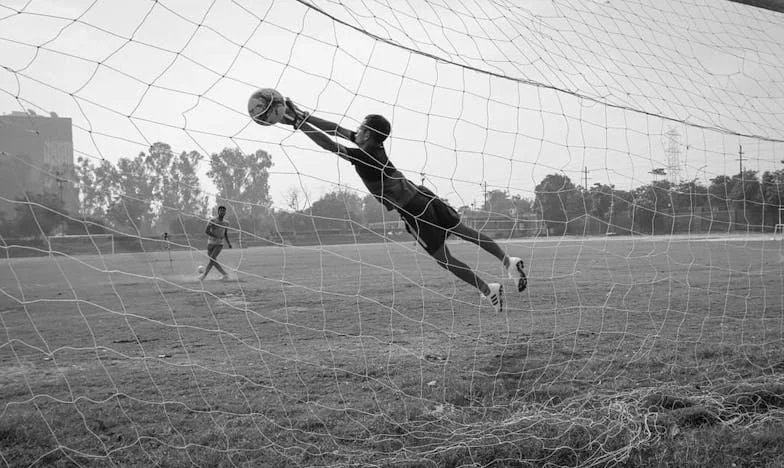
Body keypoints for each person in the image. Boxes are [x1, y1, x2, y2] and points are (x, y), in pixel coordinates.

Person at [283, 100, 527, 312]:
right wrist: (302, 116)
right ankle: (508, 261)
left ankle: (488, 289)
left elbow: (329, 144)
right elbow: (335, 129)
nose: (355, 130)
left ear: (367, 133)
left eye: (359, 128)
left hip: (412, 209)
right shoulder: (375, 146)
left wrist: (298, 124)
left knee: (444, 258)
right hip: (423, 194)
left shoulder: (364, 157)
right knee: (464, 232)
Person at [200, 205, 232, 281]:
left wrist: (228, 243)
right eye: (220, 210)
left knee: (212, 259)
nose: (222, 212)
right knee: (212, 260)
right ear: (218, 212)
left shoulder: (226, 223)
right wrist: (216, 235)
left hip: (219, 244)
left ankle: (204, 275)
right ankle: (225, 274)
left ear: (225, 212)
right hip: (210, 243)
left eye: (223, 211)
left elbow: (225, 234)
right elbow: (206, 231)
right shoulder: (212, 220)